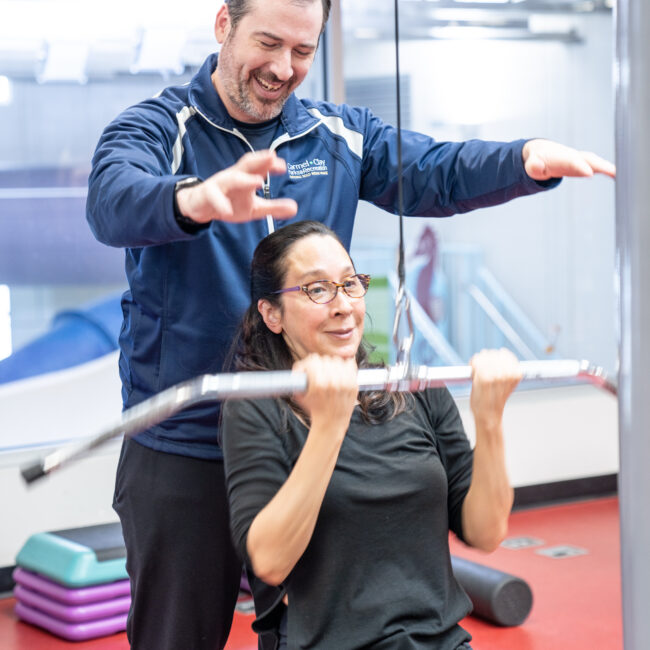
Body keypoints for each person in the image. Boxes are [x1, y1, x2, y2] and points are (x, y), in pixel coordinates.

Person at [85, 0, 615, 647]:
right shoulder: (160, 127)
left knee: (320, 629)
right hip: (187, 445)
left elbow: (435, 170)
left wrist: (523, 159)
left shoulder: (340, 135)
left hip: (312, 425)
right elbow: (111, 200)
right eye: (269, 43)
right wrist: (192, 200)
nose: (284, 67)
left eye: (304, 51)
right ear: (224, 24)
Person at [221, 220, 522, 649]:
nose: (343, 305)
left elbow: (487, 532)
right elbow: (269, 562)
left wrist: (490, 421)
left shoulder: (411, 389)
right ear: (272, 314)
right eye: (317, 290)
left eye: (350, 283)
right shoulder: (256, 407)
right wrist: (328, 426)